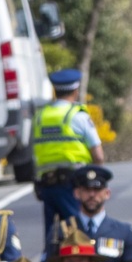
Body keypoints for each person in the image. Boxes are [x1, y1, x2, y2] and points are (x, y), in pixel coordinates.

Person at [32, 69, 104, 250]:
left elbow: (34, 152)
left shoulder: (40, 116)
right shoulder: (78, 116)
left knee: (52, 236)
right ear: (75, 90)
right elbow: (98, 155)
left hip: (46, 185)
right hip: (72, 184)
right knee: (77, 234)